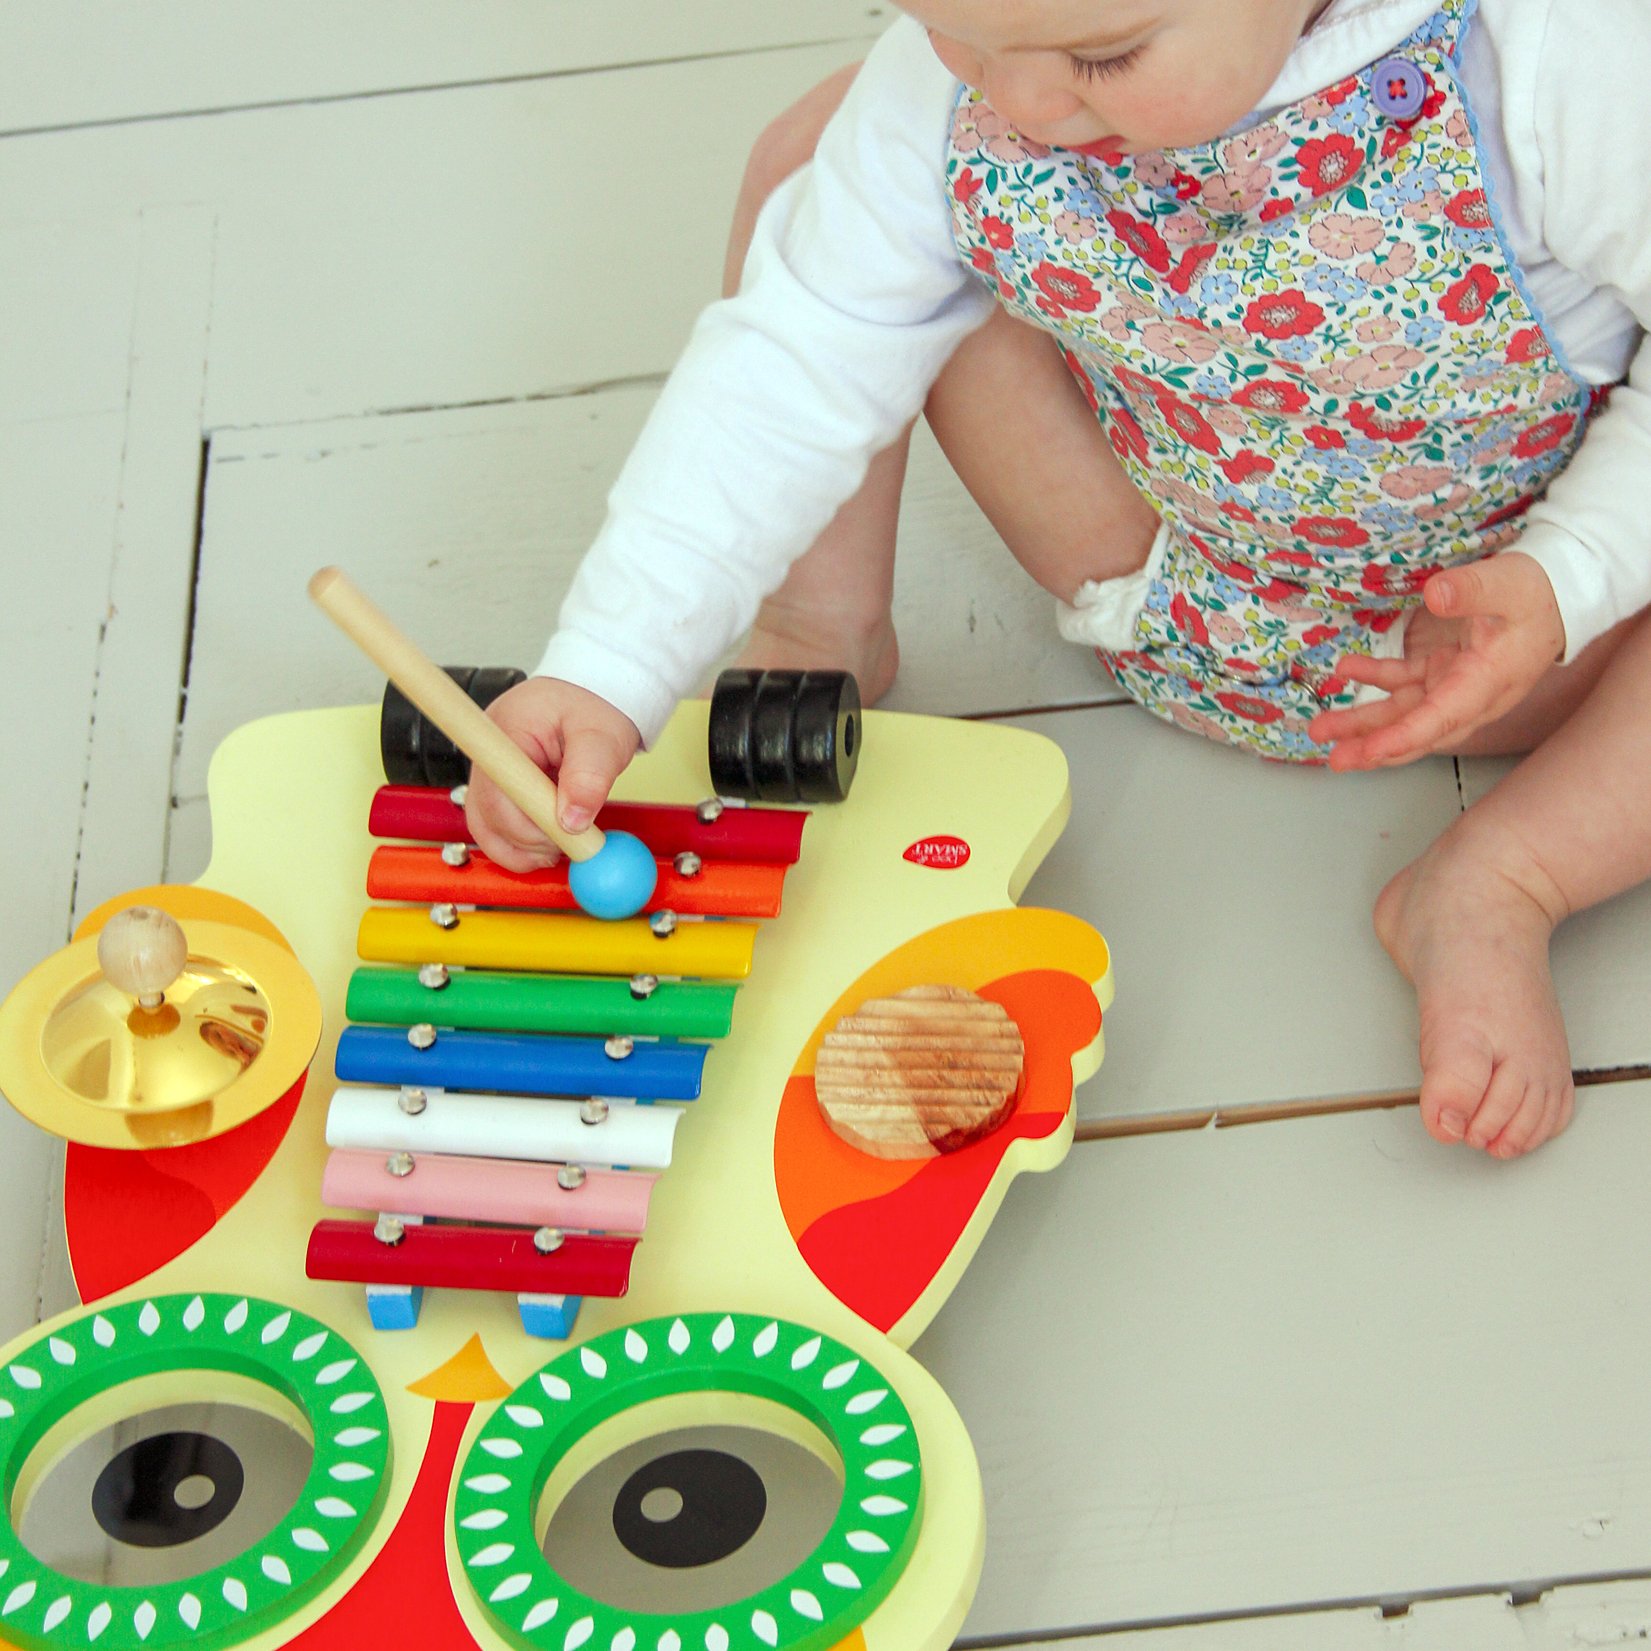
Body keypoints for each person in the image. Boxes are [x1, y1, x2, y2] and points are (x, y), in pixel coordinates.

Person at [466, 0, 1651, 1161]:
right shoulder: (964, 96)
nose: (1019, 101)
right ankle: (815, 618)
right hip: (1168, 582)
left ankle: (1509, 868)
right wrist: (607, 667)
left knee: (877, 176)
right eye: (957, 34)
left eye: (1104, 54)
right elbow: (790, 365)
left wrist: (1568, 576)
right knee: (826, 173)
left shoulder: (1557, 60)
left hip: (1526, 663)